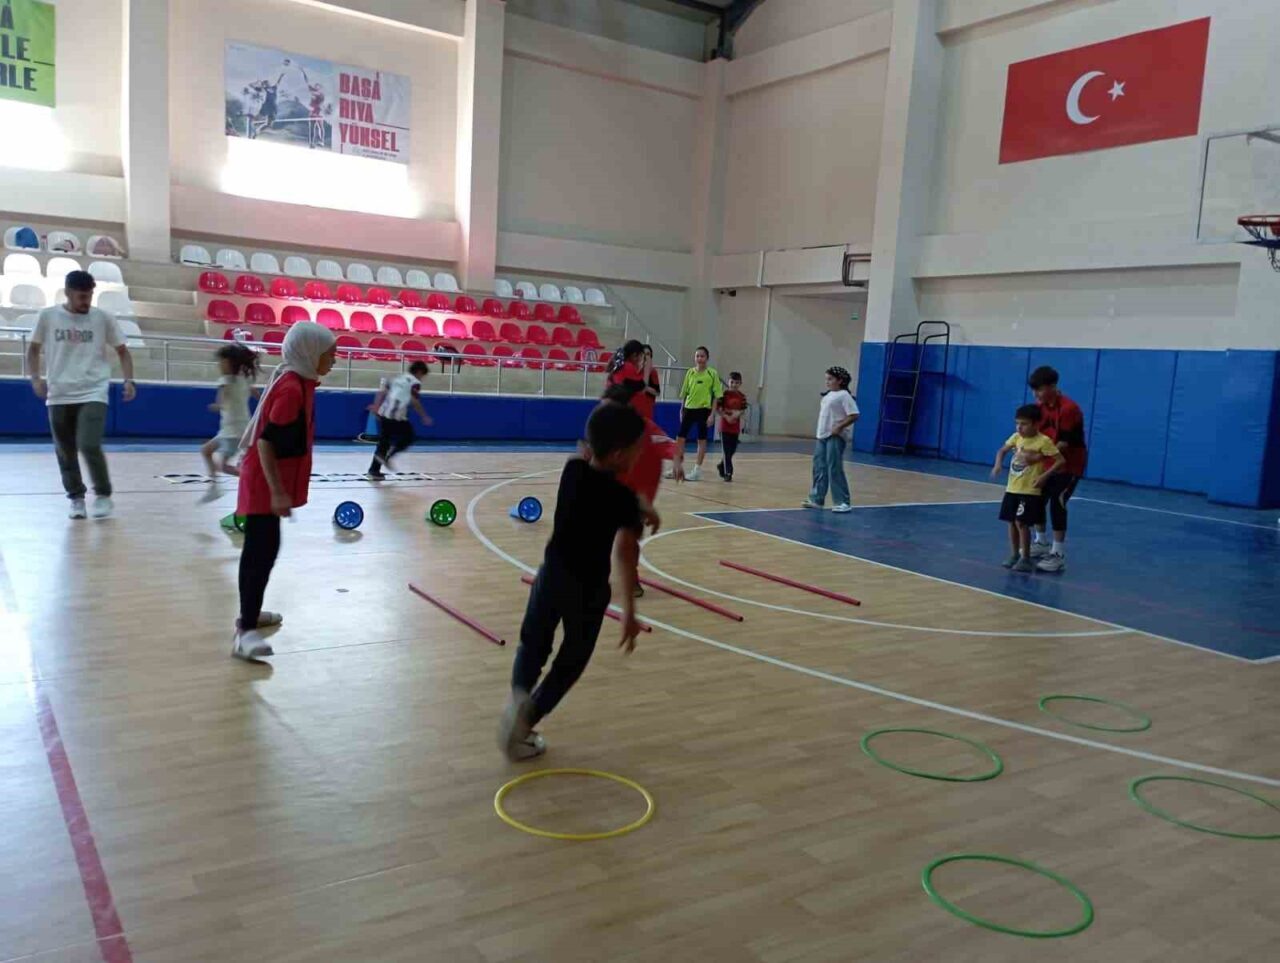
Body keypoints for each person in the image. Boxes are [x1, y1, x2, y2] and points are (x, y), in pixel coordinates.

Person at [498, 401, 657, 761]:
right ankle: (528, 719)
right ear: (619, 454)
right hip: (588, 593)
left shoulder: (572, 473)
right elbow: (626, 553)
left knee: (533, 644)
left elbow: (589, 464)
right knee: (570, 662)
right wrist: (629, 612)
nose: (638, 456)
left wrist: (639, 505)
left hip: (551, 576)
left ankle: (519, 697)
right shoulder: (622, 501)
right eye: (635, 451)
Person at [231, 322, 337, 661]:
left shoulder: (302, 383)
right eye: (329, 355)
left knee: (265, 551)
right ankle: (244, 632)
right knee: (258, 555)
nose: (334, 361)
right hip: (264, 482)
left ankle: (251, 612)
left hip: (268, 480)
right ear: (309, 354)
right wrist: (277, 492)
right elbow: (265, 444)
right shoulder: (292, 389)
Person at [26, 270, 137, 519]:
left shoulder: (103, 318)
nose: (86, 301)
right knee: (64, 450)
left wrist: (129, 380)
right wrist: (35, 378)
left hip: (93, 390)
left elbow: (123, 351)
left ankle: (103, 494)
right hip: (59, 393)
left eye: (89, 296)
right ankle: (76, 498)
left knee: (88, 443)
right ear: (67, 293)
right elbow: (33, 350)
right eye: (81, 297)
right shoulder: (48, 316)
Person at [1027, 366, 1087, 573]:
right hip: (1047, 463)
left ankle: (1058, 553)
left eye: (1040, 390)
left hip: (1069, 465)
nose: (1036, 394)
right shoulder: (1040, 407)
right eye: (1034, 390)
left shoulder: (1069, 409)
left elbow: (1063, 444)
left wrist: (1038, 456)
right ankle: (1041, 541)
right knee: (1035, 499)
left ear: (1053, 387)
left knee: (1057, 503)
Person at [991, 404, 1064, 573]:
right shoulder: (1016, 437)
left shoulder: (1043, 441)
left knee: (1021, 523)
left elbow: (1060, 461)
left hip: (1029, 490)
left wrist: (1044, 476)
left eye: (1024, 424)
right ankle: (1015, 554)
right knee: (1011, 522)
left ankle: (1026, 557)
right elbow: (1002, 450)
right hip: (1012, 488)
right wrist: (997, 465)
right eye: (1017, 423)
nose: (1019, 427)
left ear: (1036, 424)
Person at [200, 344, 260, 502]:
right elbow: (255, 393)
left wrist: (218, 405)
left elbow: (224, 393)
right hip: (234, 430)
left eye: (221, 361)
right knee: (206, 450)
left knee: (223, 466)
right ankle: (215, 487)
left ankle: (251, 480)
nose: (219, 365)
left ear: (229, 362)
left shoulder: (226, 379)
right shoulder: (244, 379)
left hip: (233, 432)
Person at [803, 366, 858, 513]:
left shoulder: (844, 396)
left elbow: (854, 415)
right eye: (826, 379)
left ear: (840, 381)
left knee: (834, 468)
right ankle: (817, 499)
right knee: (819, 467)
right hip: (822, 435)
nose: (827, 382)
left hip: (835, 437)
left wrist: (839, 427)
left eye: (830, 379)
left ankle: (843, 501)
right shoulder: (828, 395)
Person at [366, 361, 433, 479]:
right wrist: (424, 416)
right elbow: (414, 401)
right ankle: (388, 457)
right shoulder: (415, 383)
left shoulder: (398, 378)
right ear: (419, 372)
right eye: (422, 375)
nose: (422, 378)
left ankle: (373, 471)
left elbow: (382, 391)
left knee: (383, 442)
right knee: (409, 436)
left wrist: (376, 406)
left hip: (383, 412)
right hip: (396, 416)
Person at [674, 346, 721, 481]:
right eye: (697, 356)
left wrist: (712, 414)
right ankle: (677, 467)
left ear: (707, 358)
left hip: (703, 410)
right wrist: (681, 408)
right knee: (680, 438)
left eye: (702, 356)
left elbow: (716, 396)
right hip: (689, 409)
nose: (699, 358)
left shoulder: (712, 374)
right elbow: (685, 393)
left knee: (701, 440)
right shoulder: (690, 372)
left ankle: (697, 470)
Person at [715, 371, 748, 482]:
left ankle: (721, 465)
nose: (734, 385)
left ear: (740, 383)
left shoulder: (742, 396)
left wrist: (737, 414)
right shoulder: (723, 395)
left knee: (732, 449)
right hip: (724, 427)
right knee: (726, 451)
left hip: (735, 427)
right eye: (732, 382)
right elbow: (718, 408)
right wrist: (726, 416)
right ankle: (728, 472)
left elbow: (743, 409)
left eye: (737, 383)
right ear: (728, 382)